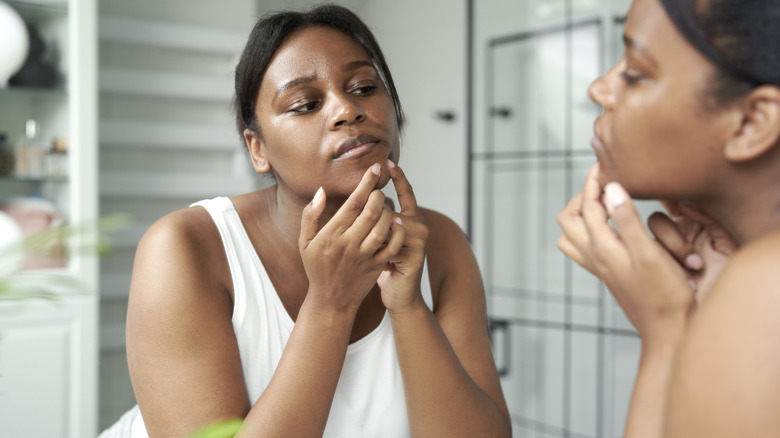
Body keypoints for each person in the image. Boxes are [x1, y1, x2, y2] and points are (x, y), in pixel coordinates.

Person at [100, 4, 511, 438]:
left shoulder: (440, 243)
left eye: (364, 87)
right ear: (258, 149)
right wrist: (331, 302)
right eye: (305, 104)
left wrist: (409, 308)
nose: (347, 109)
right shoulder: (184, 247)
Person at [557, 0, 780, 437]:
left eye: (634, 73)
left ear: (751, 122)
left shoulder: (766, 284)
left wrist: (666, 331)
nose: (599, 90)